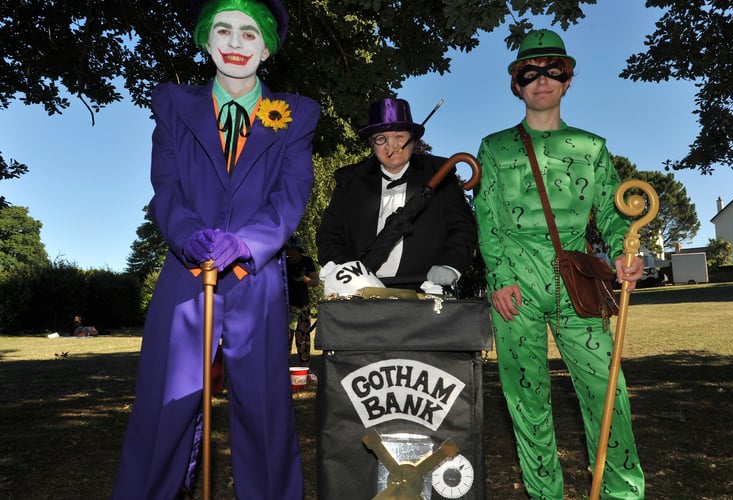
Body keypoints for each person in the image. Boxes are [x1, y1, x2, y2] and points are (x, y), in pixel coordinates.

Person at [112, 0, 320, 498]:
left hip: (257, 280)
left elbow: (290, 197)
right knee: (167, 402)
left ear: (266, 48)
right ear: (205, 39)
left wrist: (245, 243)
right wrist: (189, 236)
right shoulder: (172, 104)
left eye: (249, 34)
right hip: (187, 279)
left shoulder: (297, 114)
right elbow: (165, 189)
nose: (234, 43)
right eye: (223, 30)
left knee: (264, 410)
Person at [473, 29, 646, 498]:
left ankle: (621, 493)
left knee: (608, 394)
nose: (542, 80)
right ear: (517, 83)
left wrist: (623, 255)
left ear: (567, 80)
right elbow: (486, 218)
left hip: (577, 282)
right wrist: (499, 279)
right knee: (527, 402)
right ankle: (544, 494)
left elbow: (612, 213)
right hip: (516, 287)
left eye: (554, 71)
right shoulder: (495, 147)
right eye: (531, 72)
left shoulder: (592, 147)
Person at [316, 97, 477, 291]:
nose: (391, 146)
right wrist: (345, 271)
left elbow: (462, 228)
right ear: (372, 143)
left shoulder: (440, 172)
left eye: (400, 136)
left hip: (424, 289)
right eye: (381, 138)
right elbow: (329, 235)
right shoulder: (349, 179)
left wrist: (450, 264)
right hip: (360, 291)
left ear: (412, 139)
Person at [285, 235, 319, 365]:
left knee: (303, 338)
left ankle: (305, 368)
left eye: (289, 248)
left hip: (302, 305)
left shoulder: (307, 262)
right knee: (285, 338)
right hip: (285, 306)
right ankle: (283, 369)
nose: (287, 252)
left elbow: (315, 282)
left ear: (296, 249)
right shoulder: (283, 262)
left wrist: (304, 279)